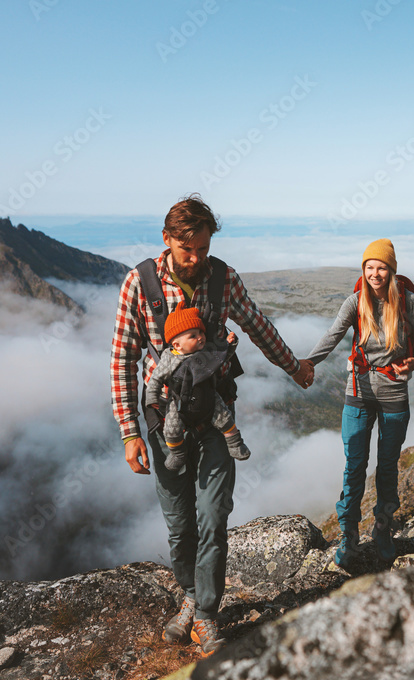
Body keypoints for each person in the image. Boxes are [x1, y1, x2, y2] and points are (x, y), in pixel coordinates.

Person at [109, 194, 314, 655]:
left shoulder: (224, 279)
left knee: (214, 516)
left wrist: (294, 367)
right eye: (188, 250)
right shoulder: (138, 285)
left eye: (203, 247)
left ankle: (205, 613)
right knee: (180, 524)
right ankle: (187, 595)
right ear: (167, 240)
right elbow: (123, 359)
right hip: (166, 427)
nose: (197, 258)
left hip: (217, 419)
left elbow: (257, 325)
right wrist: (129, 432)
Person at [306, 238, 414, 569]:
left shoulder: (407, 301)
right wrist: (306, 363)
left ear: (392, 271)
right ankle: (349, 535)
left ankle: (382, 529)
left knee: (388, 467)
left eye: (381, 267)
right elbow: (332, 336)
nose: (375, 273)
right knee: (354, 466)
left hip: (393, 390)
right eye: (369, 267)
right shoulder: (355, 301)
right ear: (364, 270)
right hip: (358, 390)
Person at [146, 301, 250, 472]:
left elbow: (222, 359)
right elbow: (156, 379)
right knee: (171, 427)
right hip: (179, 401)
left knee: (224, 417)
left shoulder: (206, 351)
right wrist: (152, 399)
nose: (200, 337)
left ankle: (235, 444)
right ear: (177, 345)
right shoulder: (169, 359)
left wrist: (229, 344)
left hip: (208, 394)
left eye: (201, 332)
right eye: (193, 336)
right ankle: (177, 453)